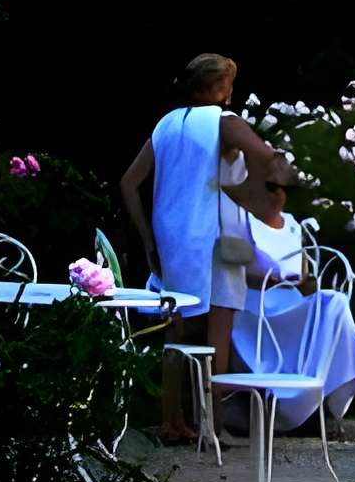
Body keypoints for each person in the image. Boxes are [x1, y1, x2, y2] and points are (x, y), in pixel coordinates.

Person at [116, 52, 278, 442]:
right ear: (221, 88)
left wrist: (147, 237)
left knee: (177, 329)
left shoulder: (167, 124)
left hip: (173, 234)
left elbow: (128, 184)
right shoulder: (224, 121)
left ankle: (171, 421)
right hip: (219, 231)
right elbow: (266, 155)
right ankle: (211, 424)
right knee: (218, 327)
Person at [216, 152, 355, 434]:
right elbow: (232, 269)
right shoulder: (240, 221)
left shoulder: (292, 224)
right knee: (334, 304)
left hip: (292, 305)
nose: (278, 194)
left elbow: (305, 274)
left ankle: (322, 398)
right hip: (258, 309)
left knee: (335, 302)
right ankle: (354, 381)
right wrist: (276, 279)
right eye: (271, 186)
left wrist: (304, 282)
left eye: (283, 188)